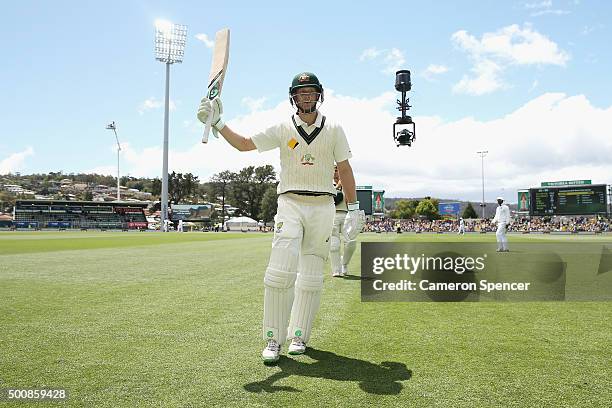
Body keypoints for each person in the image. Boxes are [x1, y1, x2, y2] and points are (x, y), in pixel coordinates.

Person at [197, 71, 365, 364]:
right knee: (279, 272)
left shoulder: (335, 128)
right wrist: (218, 123)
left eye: (311, 92)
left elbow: (345, 169)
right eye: (301, 93)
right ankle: (273, 340)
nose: (306, 98)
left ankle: (298, 335)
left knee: (311, 277)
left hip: (323, 206)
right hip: (290, 202)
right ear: (293, 97)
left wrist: (353, 208)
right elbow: (244, 143)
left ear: (319, 95)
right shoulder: (282, 127)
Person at [329, 165, 357, 277]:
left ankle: (344, 264)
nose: (336, 173)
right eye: (334, 170)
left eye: (337, 170)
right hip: (332, 215)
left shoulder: (347, 184)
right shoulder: (327, 185)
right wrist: (337, 187)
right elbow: (330, 200)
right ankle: (336, 270)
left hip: (346, 215)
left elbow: (351, 200)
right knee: (334, 245)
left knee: (351, 242)